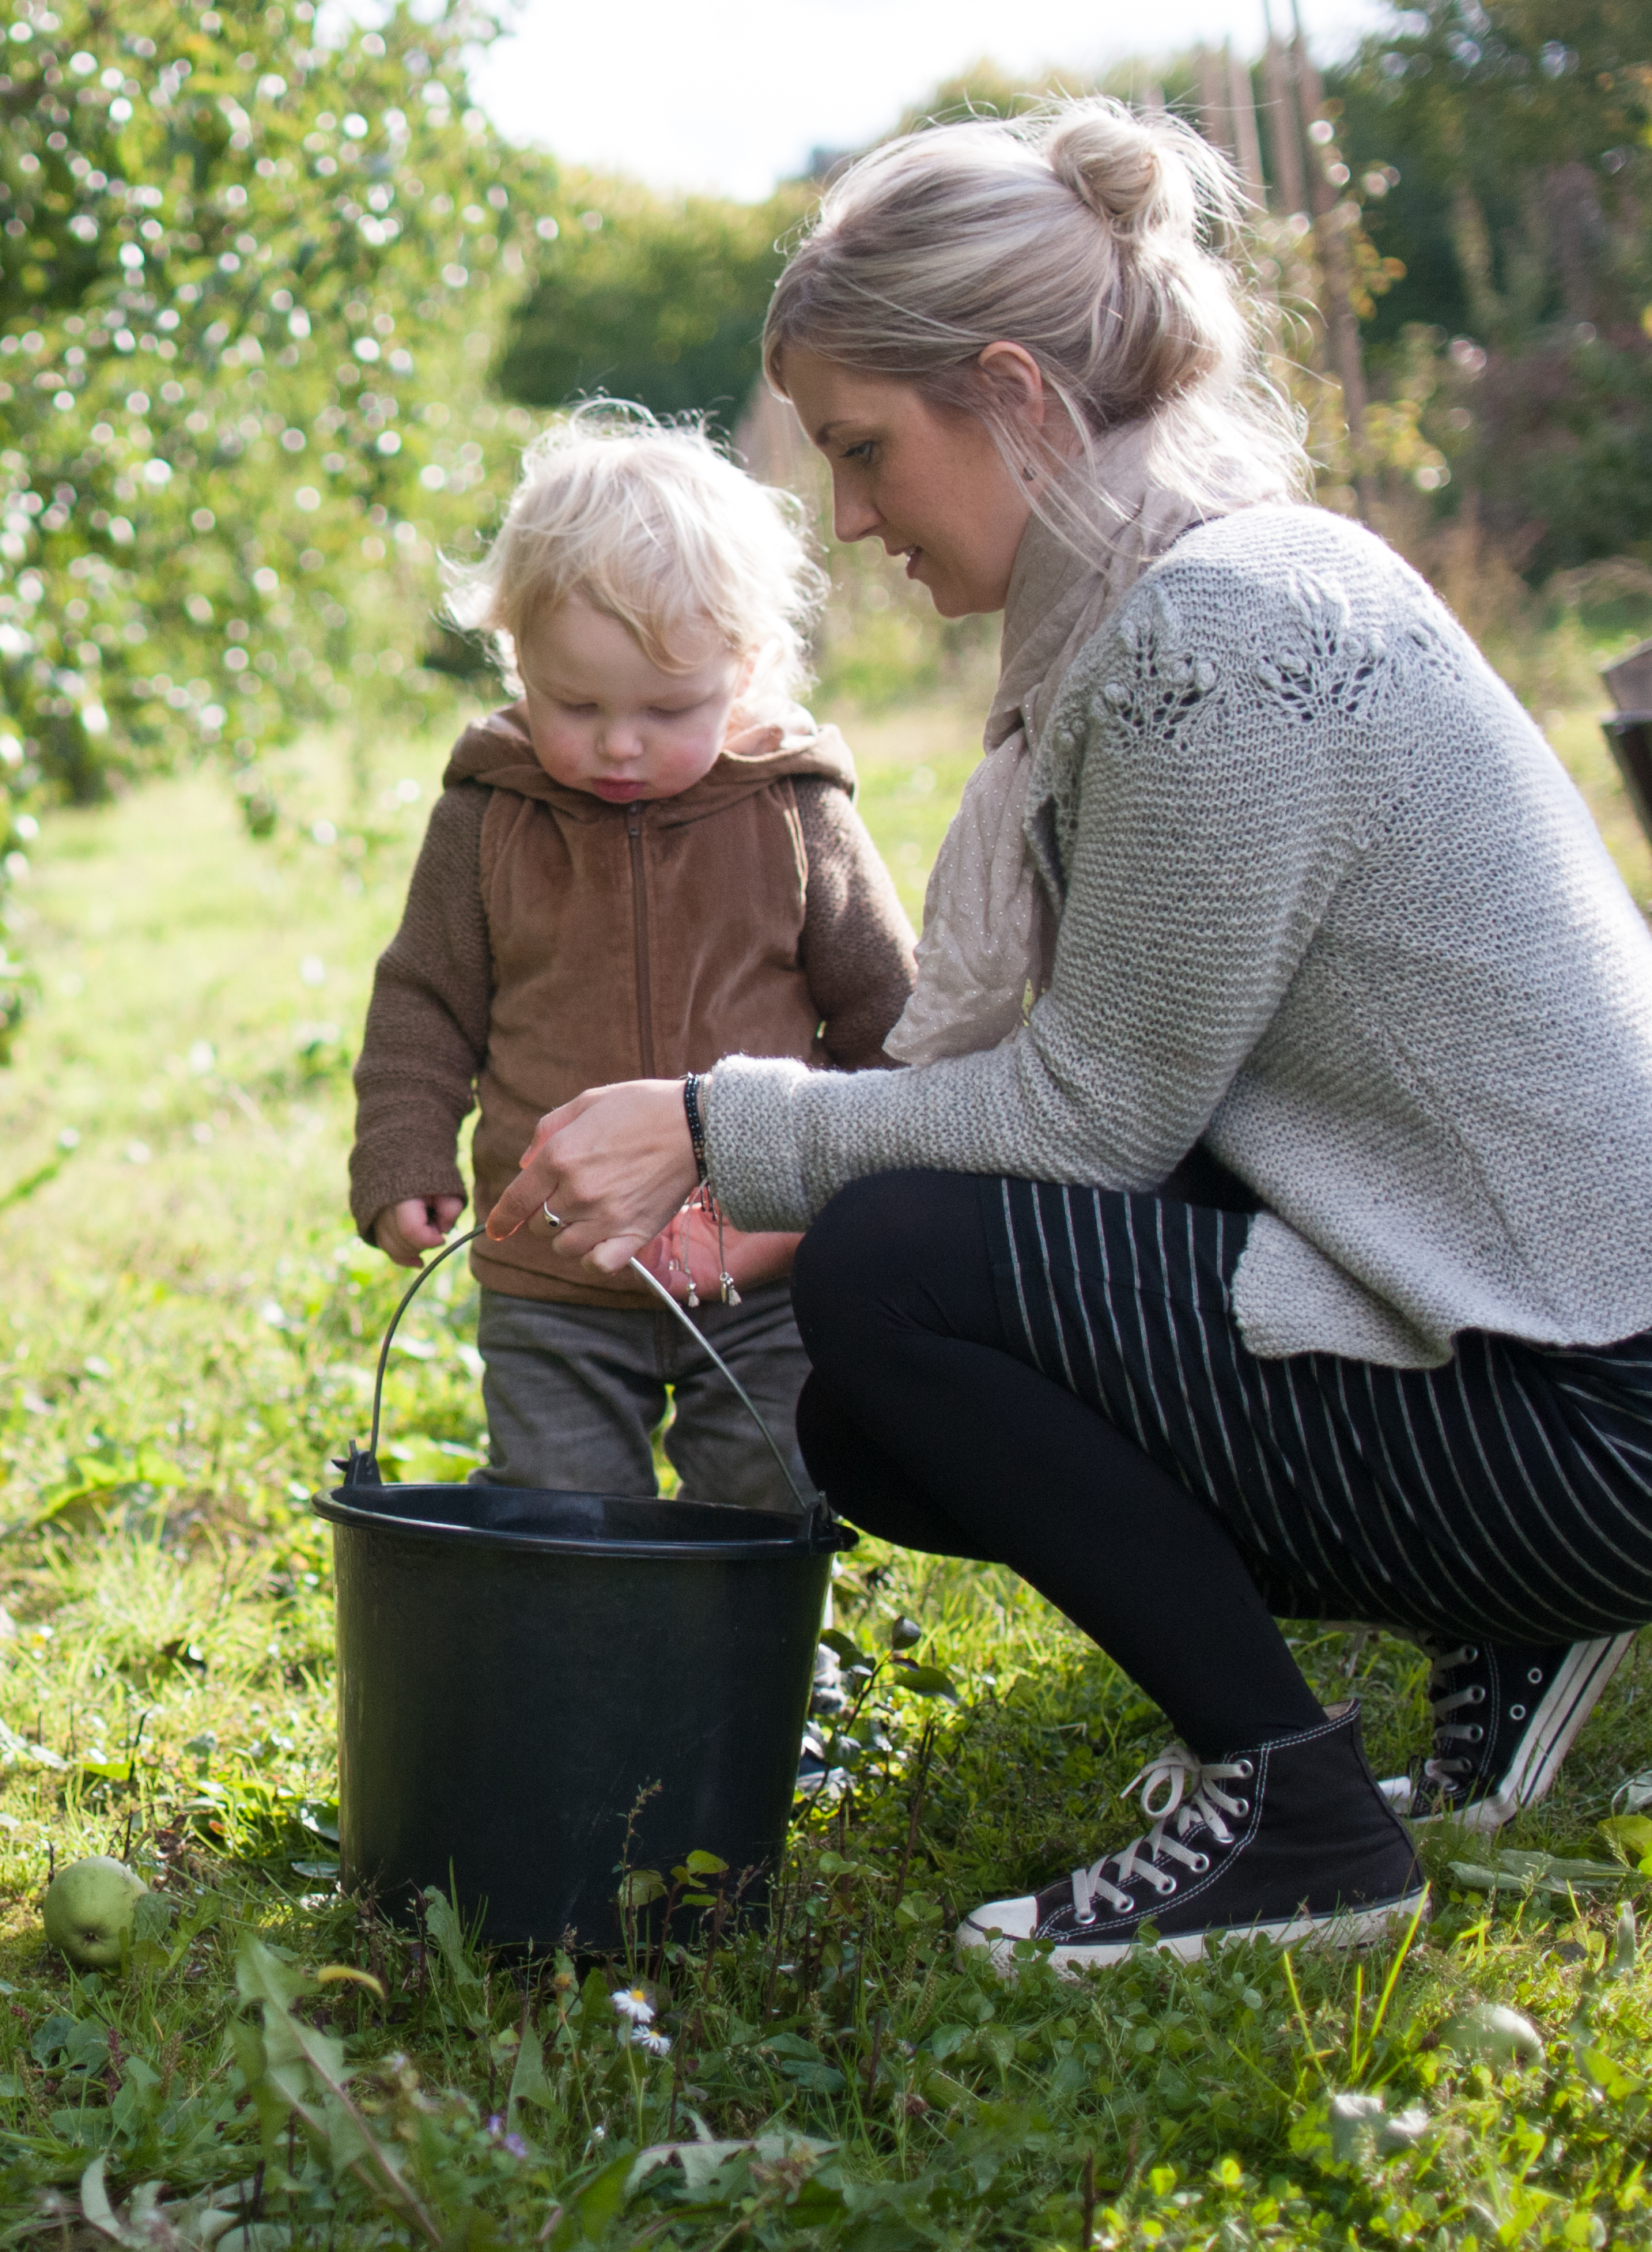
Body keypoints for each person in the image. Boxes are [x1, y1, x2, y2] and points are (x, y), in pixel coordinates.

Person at [496, 98, 1652, 1973]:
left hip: (1597, 1416)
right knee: (866, 1397)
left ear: (1017, 396)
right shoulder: (1221, 583)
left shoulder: (1210, 641)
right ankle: (1500, 1617)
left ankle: (1291, 1810)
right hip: (1554, 1344)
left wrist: (716, 1125)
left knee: (893, 1283)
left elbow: (1100, 1111)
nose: (849, 515)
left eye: (865, 450)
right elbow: (1168, 1093)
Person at [350, 406, 917, 1512]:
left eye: (668, 709)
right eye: (577, 704)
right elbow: (425, 1002)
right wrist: (401, 1152)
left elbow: (886, 1012)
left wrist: (854, 1189)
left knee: (769, 1485)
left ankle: (753, 1665)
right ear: (517, 656)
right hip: (552, 1272)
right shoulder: (490, 815)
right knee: (560, 1503)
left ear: (744, 670)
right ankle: (583, 1664)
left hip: (756, 1254)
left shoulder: (797, 812)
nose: (619, 743)